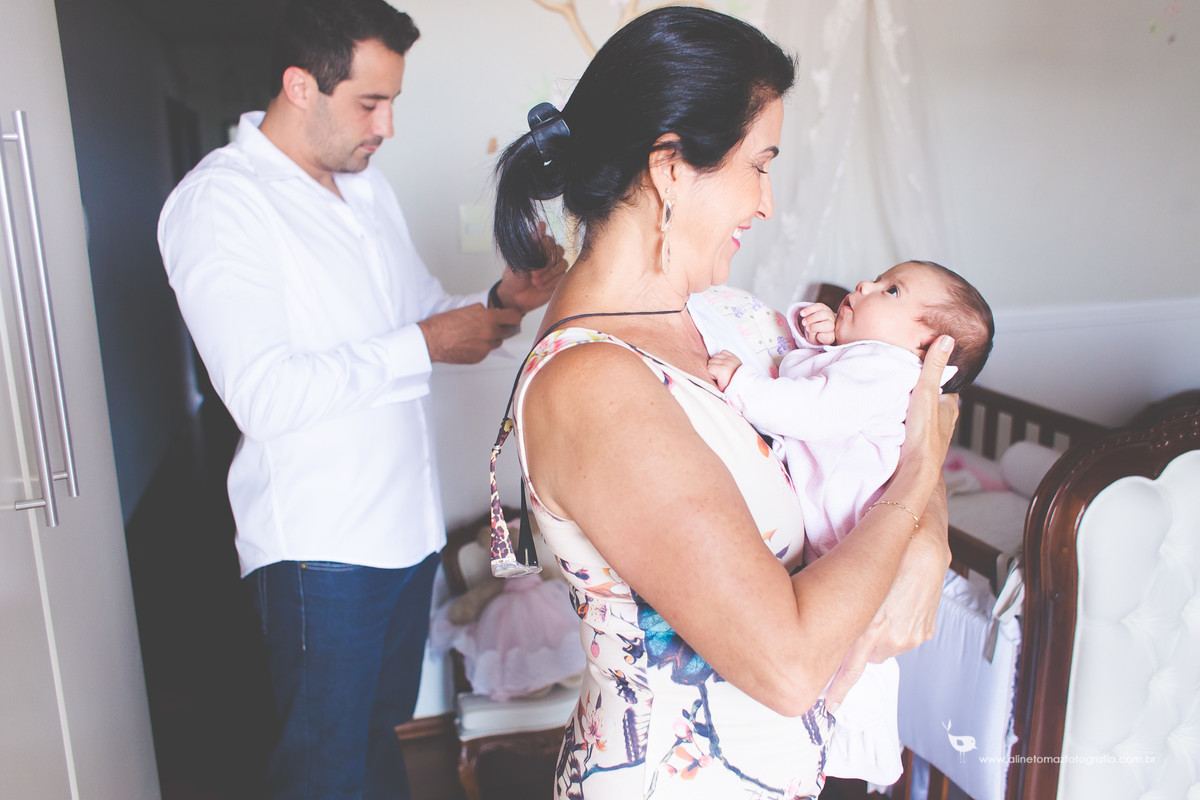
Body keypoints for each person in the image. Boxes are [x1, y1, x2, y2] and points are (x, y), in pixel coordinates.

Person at [490, 7, 958, 798]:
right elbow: (788, 664)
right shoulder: (595, 382)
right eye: (760, 163)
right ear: (671, 167)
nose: (768, 204)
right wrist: (921, 481)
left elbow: (872, 424)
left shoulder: (724, 318)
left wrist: (930, 539)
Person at [156, 0, 566, 796]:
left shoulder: (365, 190)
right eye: (369, 103)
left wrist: (504, 297)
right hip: (320, 550)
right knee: (324, 771)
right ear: (300, 85)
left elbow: (418, 311)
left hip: (402, 533)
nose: (386, 126)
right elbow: (263, 394)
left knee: (374, 741)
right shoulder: (220, 203)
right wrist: (422, 345)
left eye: (393, 102)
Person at [706, 261, 994, 785]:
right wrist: (824, 337)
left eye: (892, 290)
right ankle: (841, 743)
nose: (864, 286)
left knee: (856, 657)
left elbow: (813, 411)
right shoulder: (870, 362)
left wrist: (741, 382)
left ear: (929, 351)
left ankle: (851, 743)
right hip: (839, 533)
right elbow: (821, 382)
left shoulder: (887, 369)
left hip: (854, 532)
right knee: (852, 653)